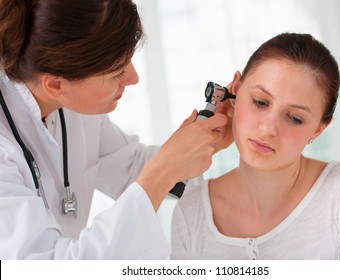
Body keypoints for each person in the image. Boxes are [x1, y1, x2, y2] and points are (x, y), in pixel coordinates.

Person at [0, 0, 233, 259]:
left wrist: (210, 138)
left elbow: (131, 167)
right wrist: (164, 170)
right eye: (117, 72)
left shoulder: (72, 104)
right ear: (55, 84)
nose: (134, 79)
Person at [170, 32, 340, 259]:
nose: (268, 129)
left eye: (294, 118)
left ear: (318, 129)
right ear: (235, 90)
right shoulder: (191, 213)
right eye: (260, 102)